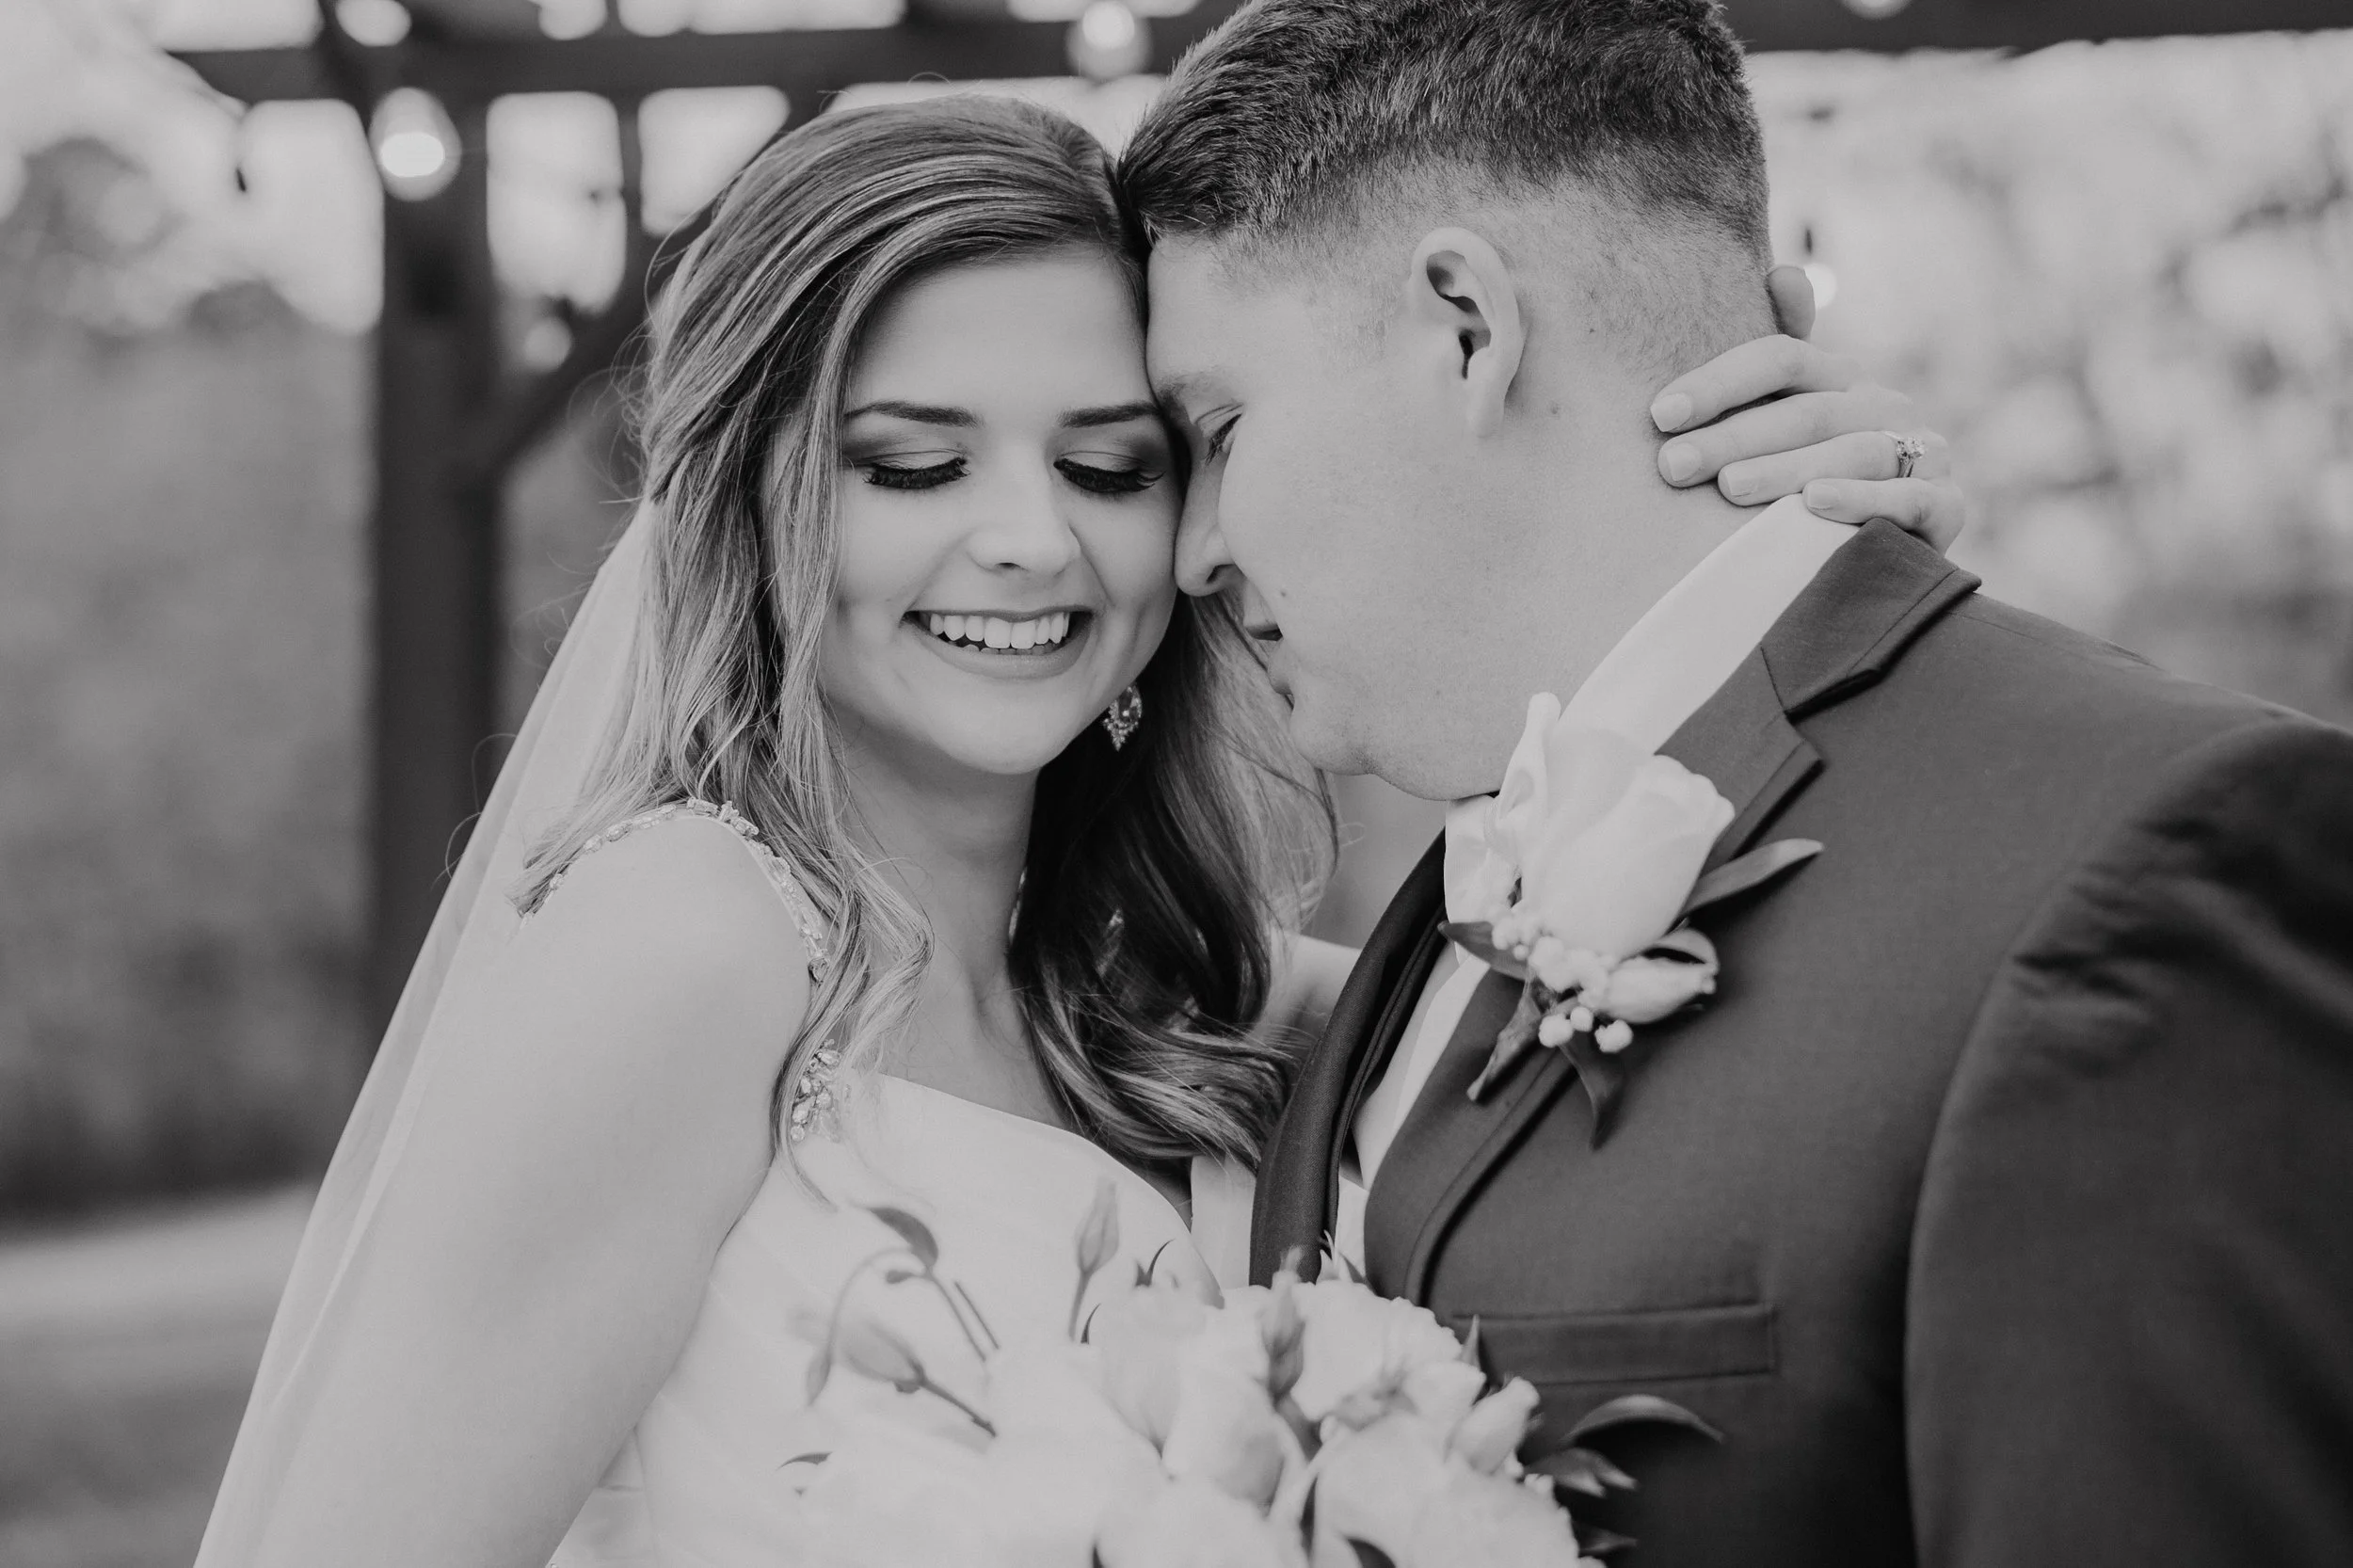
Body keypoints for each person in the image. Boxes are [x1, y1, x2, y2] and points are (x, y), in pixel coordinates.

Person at [195, 92, 1964, 1568]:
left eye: (1111, 466)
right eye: (914, 462)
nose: (1031, 540)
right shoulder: (688, 943)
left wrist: (1813, 591)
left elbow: (1745, 1048)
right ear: (753, 494)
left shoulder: (1210, 1007)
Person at [1120, 3, 2353, 1566]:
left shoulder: (2145, 857)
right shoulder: (1406, 940)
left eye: (1218, 430)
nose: (1195, 549)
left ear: (1465, 327)